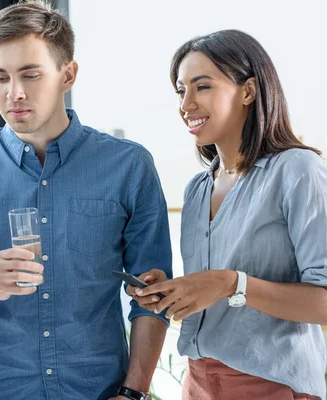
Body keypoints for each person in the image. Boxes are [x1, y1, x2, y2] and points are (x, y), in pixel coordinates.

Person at [0, 2, 172, 399]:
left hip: (98, 391)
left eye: (30, 75)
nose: (13, 93)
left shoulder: (128, 166)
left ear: (67, 74)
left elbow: (152, 298)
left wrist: (133, 393)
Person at [130, 30, 327, 400]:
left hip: (272, 386)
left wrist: (231, 283)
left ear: (249, 91)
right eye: (180, 89)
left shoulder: (298, 170)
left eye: (202, 86)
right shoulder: (198, 188)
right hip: (199, 382)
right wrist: (172, 290)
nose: (186, 103)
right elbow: (211, 292)